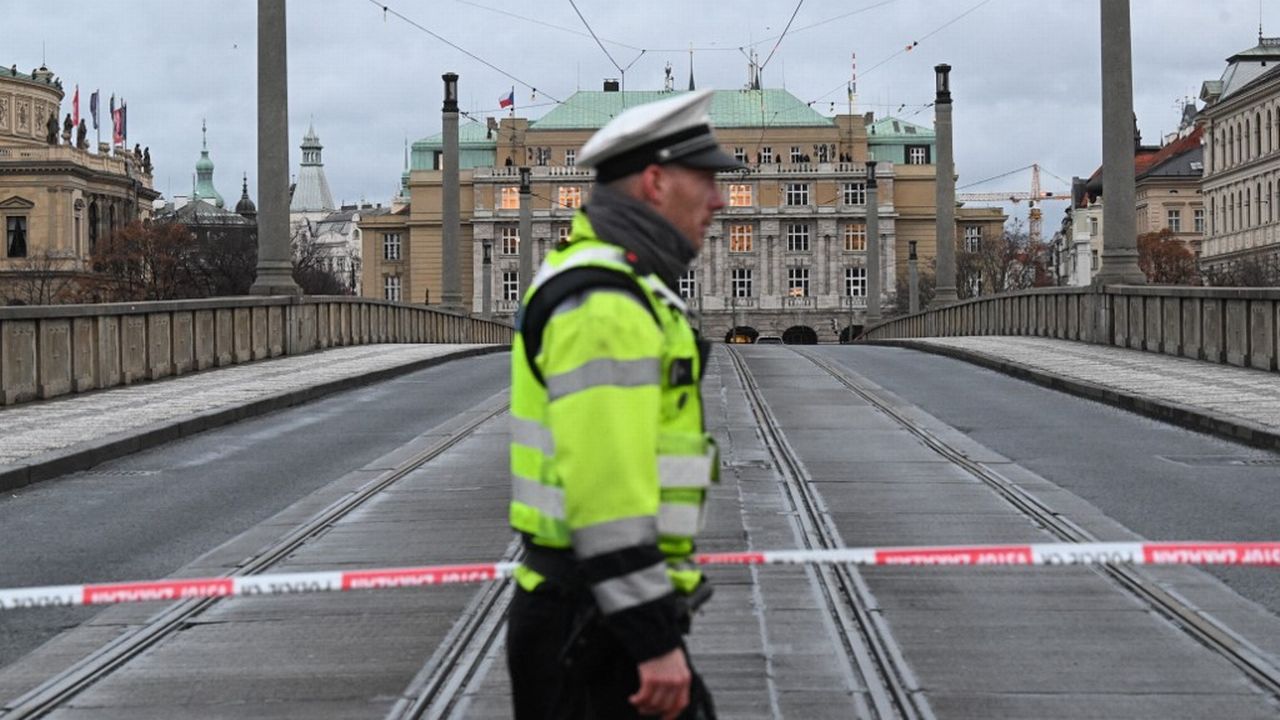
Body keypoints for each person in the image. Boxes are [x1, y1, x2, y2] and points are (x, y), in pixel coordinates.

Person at [506, 89, 741, 720]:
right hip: (592, 621)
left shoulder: (624, 283)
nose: (720, 200)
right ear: (657, 182)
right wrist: (652, 640)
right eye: (708, 180)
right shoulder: (607, 303)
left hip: (598, 611)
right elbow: (607, 491)